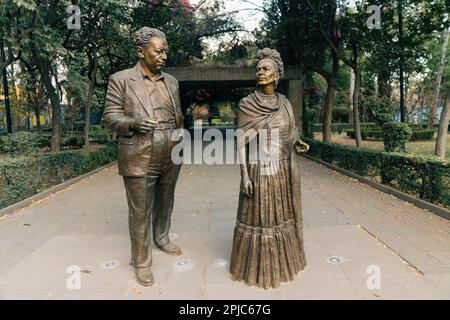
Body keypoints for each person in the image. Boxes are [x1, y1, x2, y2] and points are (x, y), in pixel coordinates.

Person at [103, 27, 184, 286]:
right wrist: (134, 122)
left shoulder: (171, 81)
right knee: (140, 210)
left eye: (166, 52)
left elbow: (178, 115)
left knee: (166, 199)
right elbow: (110, 116)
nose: (163, 57)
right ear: (141, 51)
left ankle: (161, 237)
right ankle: (141, 261)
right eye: (158, 51)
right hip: (139, 151)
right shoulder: (121, 79)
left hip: (171, 150)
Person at [230, 48, 309, 289]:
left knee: (281, 215)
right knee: (260, 218)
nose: (260, 72)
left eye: (266, 69)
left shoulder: (285, 103)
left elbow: (290, 132)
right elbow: (241, 141)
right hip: (258, 170)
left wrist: (297, 142)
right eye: (258, 69)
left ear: (277, 74)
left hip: (282, 171)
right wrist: (244, 175)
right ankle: (256, 269)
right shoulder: (247, 104)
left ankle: (284, 264)